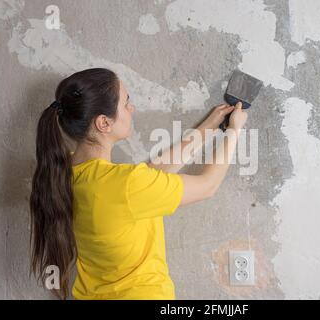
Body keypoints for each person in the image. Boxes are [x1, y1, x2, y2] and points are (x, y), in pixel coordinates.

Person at [29, 68, 247, 299]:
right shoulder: (125, 184)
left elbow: (152, 176)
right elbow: (207, 186)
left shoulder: (66, 174)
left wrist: (207, 128)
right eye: (126, 103)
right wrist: (234, 130)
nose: (131, 109)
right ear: (104, 122)